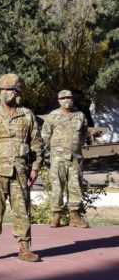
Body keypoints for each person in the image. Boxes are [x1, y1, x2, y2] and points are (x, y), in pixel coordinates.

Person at [0, 73, 43, 262]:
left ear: (17, 91)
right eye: (2, 89)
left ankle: (24, 249)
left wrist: (35, 168)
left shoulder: (27, 115)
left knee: (22, 211)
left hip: (20, 172)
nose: (5, 93)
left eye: (9, 89)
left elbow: (36, 144)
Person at [42, 90, 89, 228]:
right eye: (63, 98)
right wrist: (55, 149)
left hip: (75, 158)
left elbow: (84, 133)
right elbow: (45, 134)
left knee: (75, 187)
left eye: (69, 97)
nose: (66, 100)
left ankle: (74, 217)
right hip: (58, 158)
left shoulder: (80, 116)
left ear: (73, 99)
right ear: (59, 100)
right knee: (57, 187)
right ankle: (56, 216)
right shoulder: (53, 116)